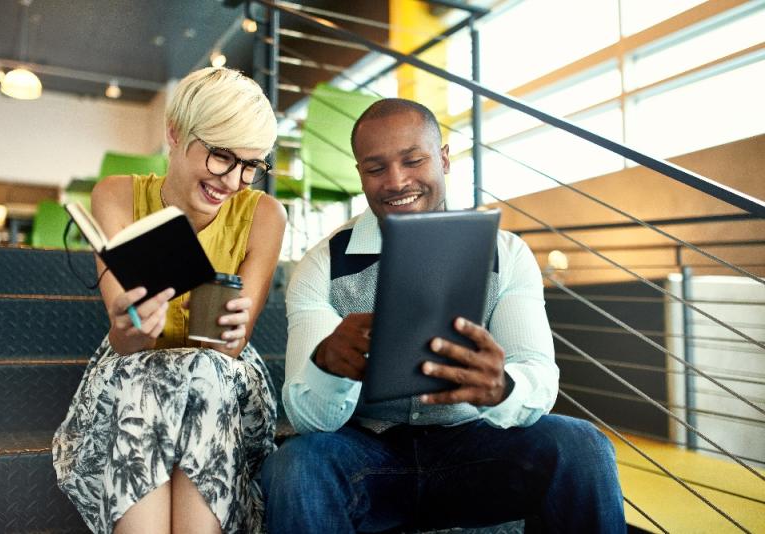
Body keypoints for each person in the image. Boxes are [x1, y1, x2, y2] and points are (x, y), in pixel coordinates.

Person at [261, 98, 625, 533]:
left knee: (583, 447)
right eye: (376, 169)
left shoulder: (505, 254)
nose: (396, 181)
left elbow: (539, 377)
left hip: (475, 446)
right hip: (368, 455)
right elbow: (307, 419)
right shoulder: (322, 265)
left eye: (413, 160)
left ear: (445, 159)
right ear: (360, 175)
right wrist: (327, 367)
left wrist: (503, 388)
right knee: (296, 465)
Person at [52, 67, 286, 534]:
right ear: (175, 133)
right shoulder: (117, 195)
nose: (234, 181)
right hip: (135, 372)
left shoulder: (264, 214)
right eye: (222, 157)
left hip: (221, 379)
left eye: (251, 166)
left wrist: (232, 328)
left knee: (204, 371)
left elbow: (230, 351)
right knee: (148, 378)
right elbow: (126, 343)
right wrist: (129, 325)